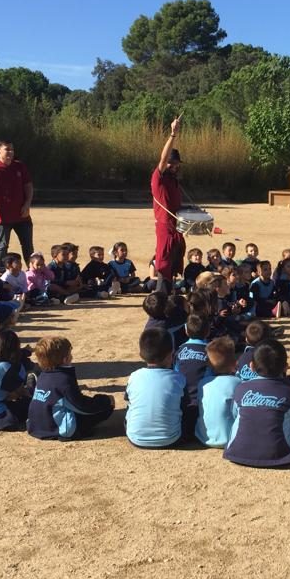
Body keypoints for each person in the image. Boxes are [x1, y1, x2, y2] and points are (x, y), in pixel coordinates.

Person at [223, 338, 290, 468]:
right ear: (285, 367)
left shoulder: (241, 388)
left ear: (251, 366)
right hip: (281, 455)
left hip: (237, 451)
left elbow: (234, 415)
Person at [27, 336, 115, 440]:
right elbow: (81, 406)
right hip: (56, 428)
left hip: (36, 426)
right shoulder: (64, 379)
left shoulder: (42, 375)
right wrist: (105, 401)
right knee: (105, 407)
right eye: (70, 354)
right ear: (65, 359)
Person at [125, 328, 188, 448]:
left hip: (136, 438)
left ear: (141, 354)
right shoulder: (178, 378)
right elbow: (185, 407)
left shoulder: (134, 376)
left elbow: (128, 402)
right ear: (171, 355)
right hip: (171, 439)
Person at [0, 140, 34, 269]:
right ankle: (1, 272)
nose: (10, 152)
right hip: (3, 217)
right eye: (7, 149)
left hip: (22, 215)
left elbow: (28, 186)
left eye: (12, 149)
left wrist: (27, 204)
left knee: (28, 245)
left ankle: (32, 271)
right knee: (2, 245)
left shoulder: (20, 167)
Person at [151, 116, 186, 291]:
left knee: (173, 264)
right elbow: (163, 159)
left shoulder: (174, 181)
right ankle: (160, 297)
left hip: (176, 226)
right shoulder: (158, 178)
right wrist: (173, 134)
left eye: (176, 164)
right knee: (164, 264)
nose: (174, 166)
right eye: (172, 163)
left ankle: (168, 296)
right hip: (165, 227)